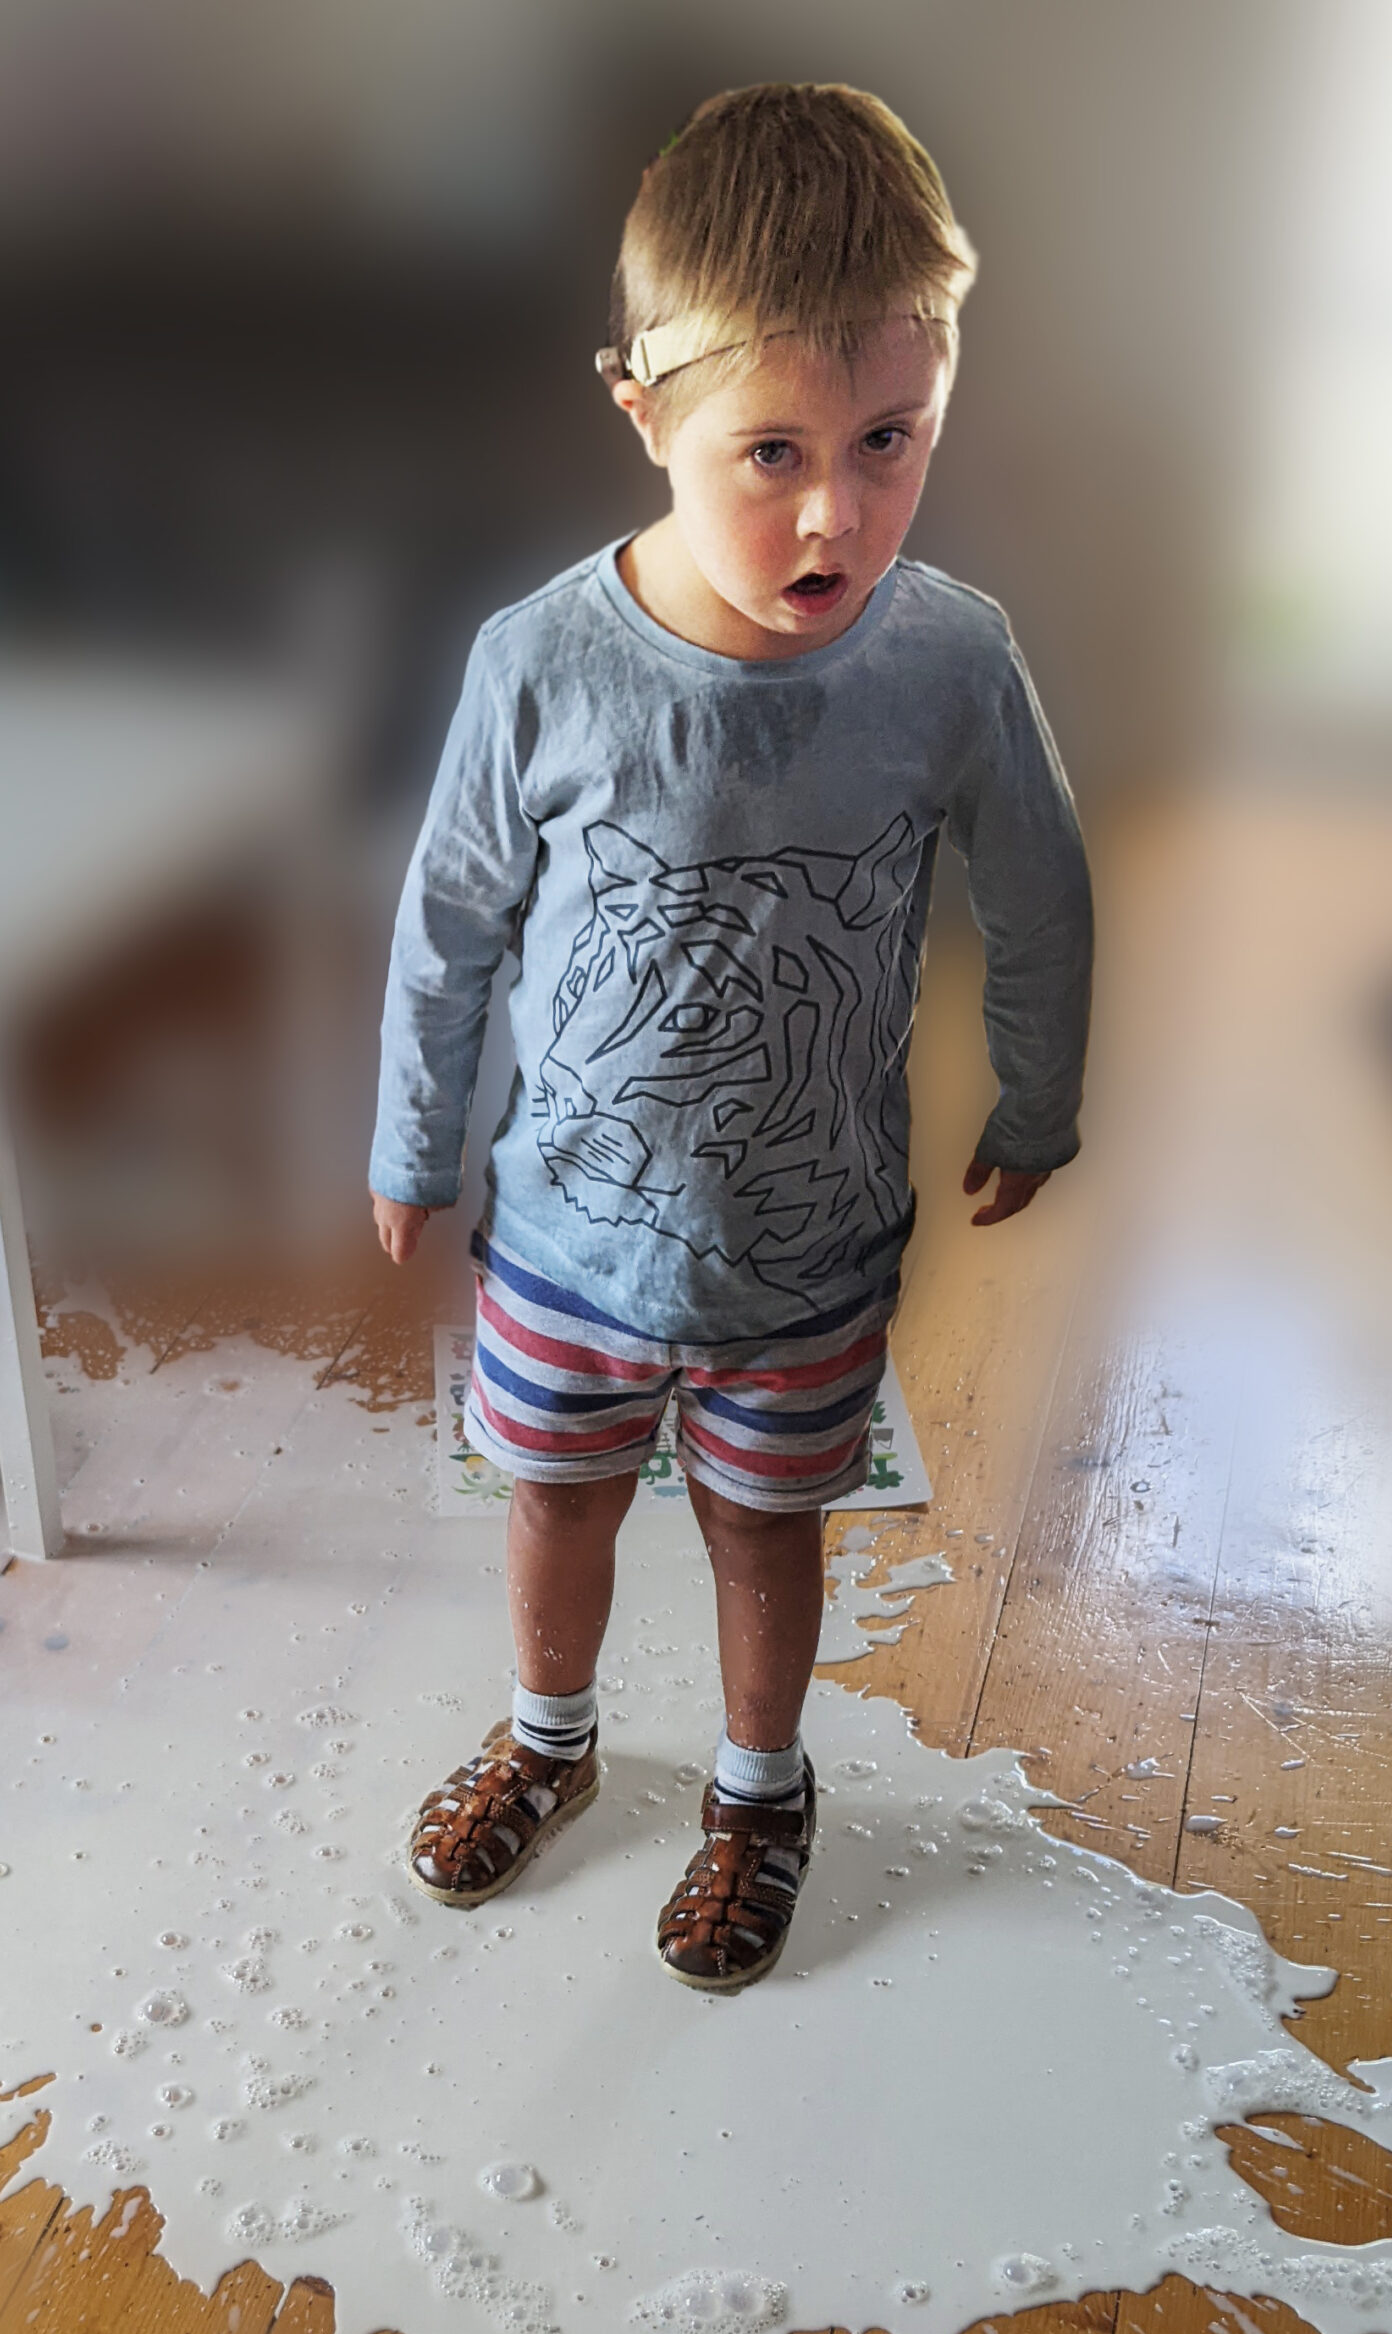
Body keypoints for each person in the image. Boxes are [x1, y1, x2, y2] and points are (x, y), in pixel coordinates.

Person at [368, 82, 1092, 1990]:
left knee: (774, 1536)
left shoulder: (950, 659)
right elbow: (449, 924)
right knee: (558, 1498)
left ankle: (763, 1792)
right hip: (567, 1235)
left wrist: (1043, 1086)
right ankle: (551, 1740)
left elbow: (1040, 885)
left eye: (891, 440)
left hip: (807, 1251)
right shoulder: (542, 662)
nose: (835, 508)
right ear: (650, 413)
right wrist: (409, 1137)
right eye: (770, 448)